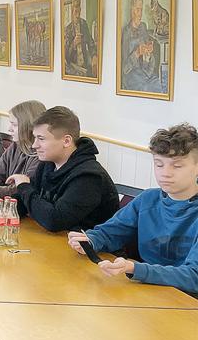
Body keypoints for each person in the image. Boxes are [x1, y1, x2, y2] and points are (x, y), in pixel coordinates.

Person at [68, 123, 198, 294]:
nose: (165, 173)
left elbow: (193, 277)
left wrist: (136, 269)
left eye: (177, 166)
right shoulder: (148, 199)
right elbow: (110, 233)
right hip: (147, 290)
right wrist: (89, 240)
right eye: (159, 164)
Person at [6, 106, 119, 232]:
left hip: (90, 249)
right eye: (35, 138)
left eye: (41, 139)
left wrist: (24, 187)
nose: (34, 145)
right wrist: (4, 209)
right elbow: (26, 202)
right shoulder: (48, 164)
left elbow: (54, 220)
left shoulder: (89, 177)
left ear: (66, 141)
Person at [63, 0, 97, 78]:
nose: (77, 15)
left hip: (85, 63)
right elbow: (66, 56)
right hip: (74, 66)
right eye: (75, 12)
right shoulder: (68, 29)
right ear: (71, 12)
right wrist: (74, 44)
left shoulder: (83, 24)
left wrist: (94, 56)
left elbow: (90, 42)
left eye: (79, 11)